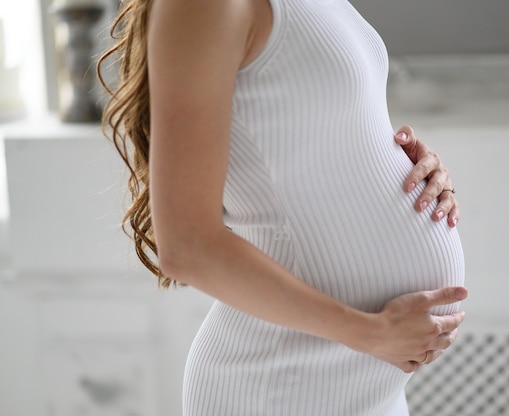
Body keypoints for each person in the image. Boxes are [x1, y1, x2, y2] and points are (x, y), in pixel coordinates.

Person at [99, 0, 467, 414]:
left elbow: (304, 131)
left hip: (367, 380)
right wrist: (369, 333)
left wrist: (405, 163)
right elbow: (187, 247)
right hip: (281, 383)